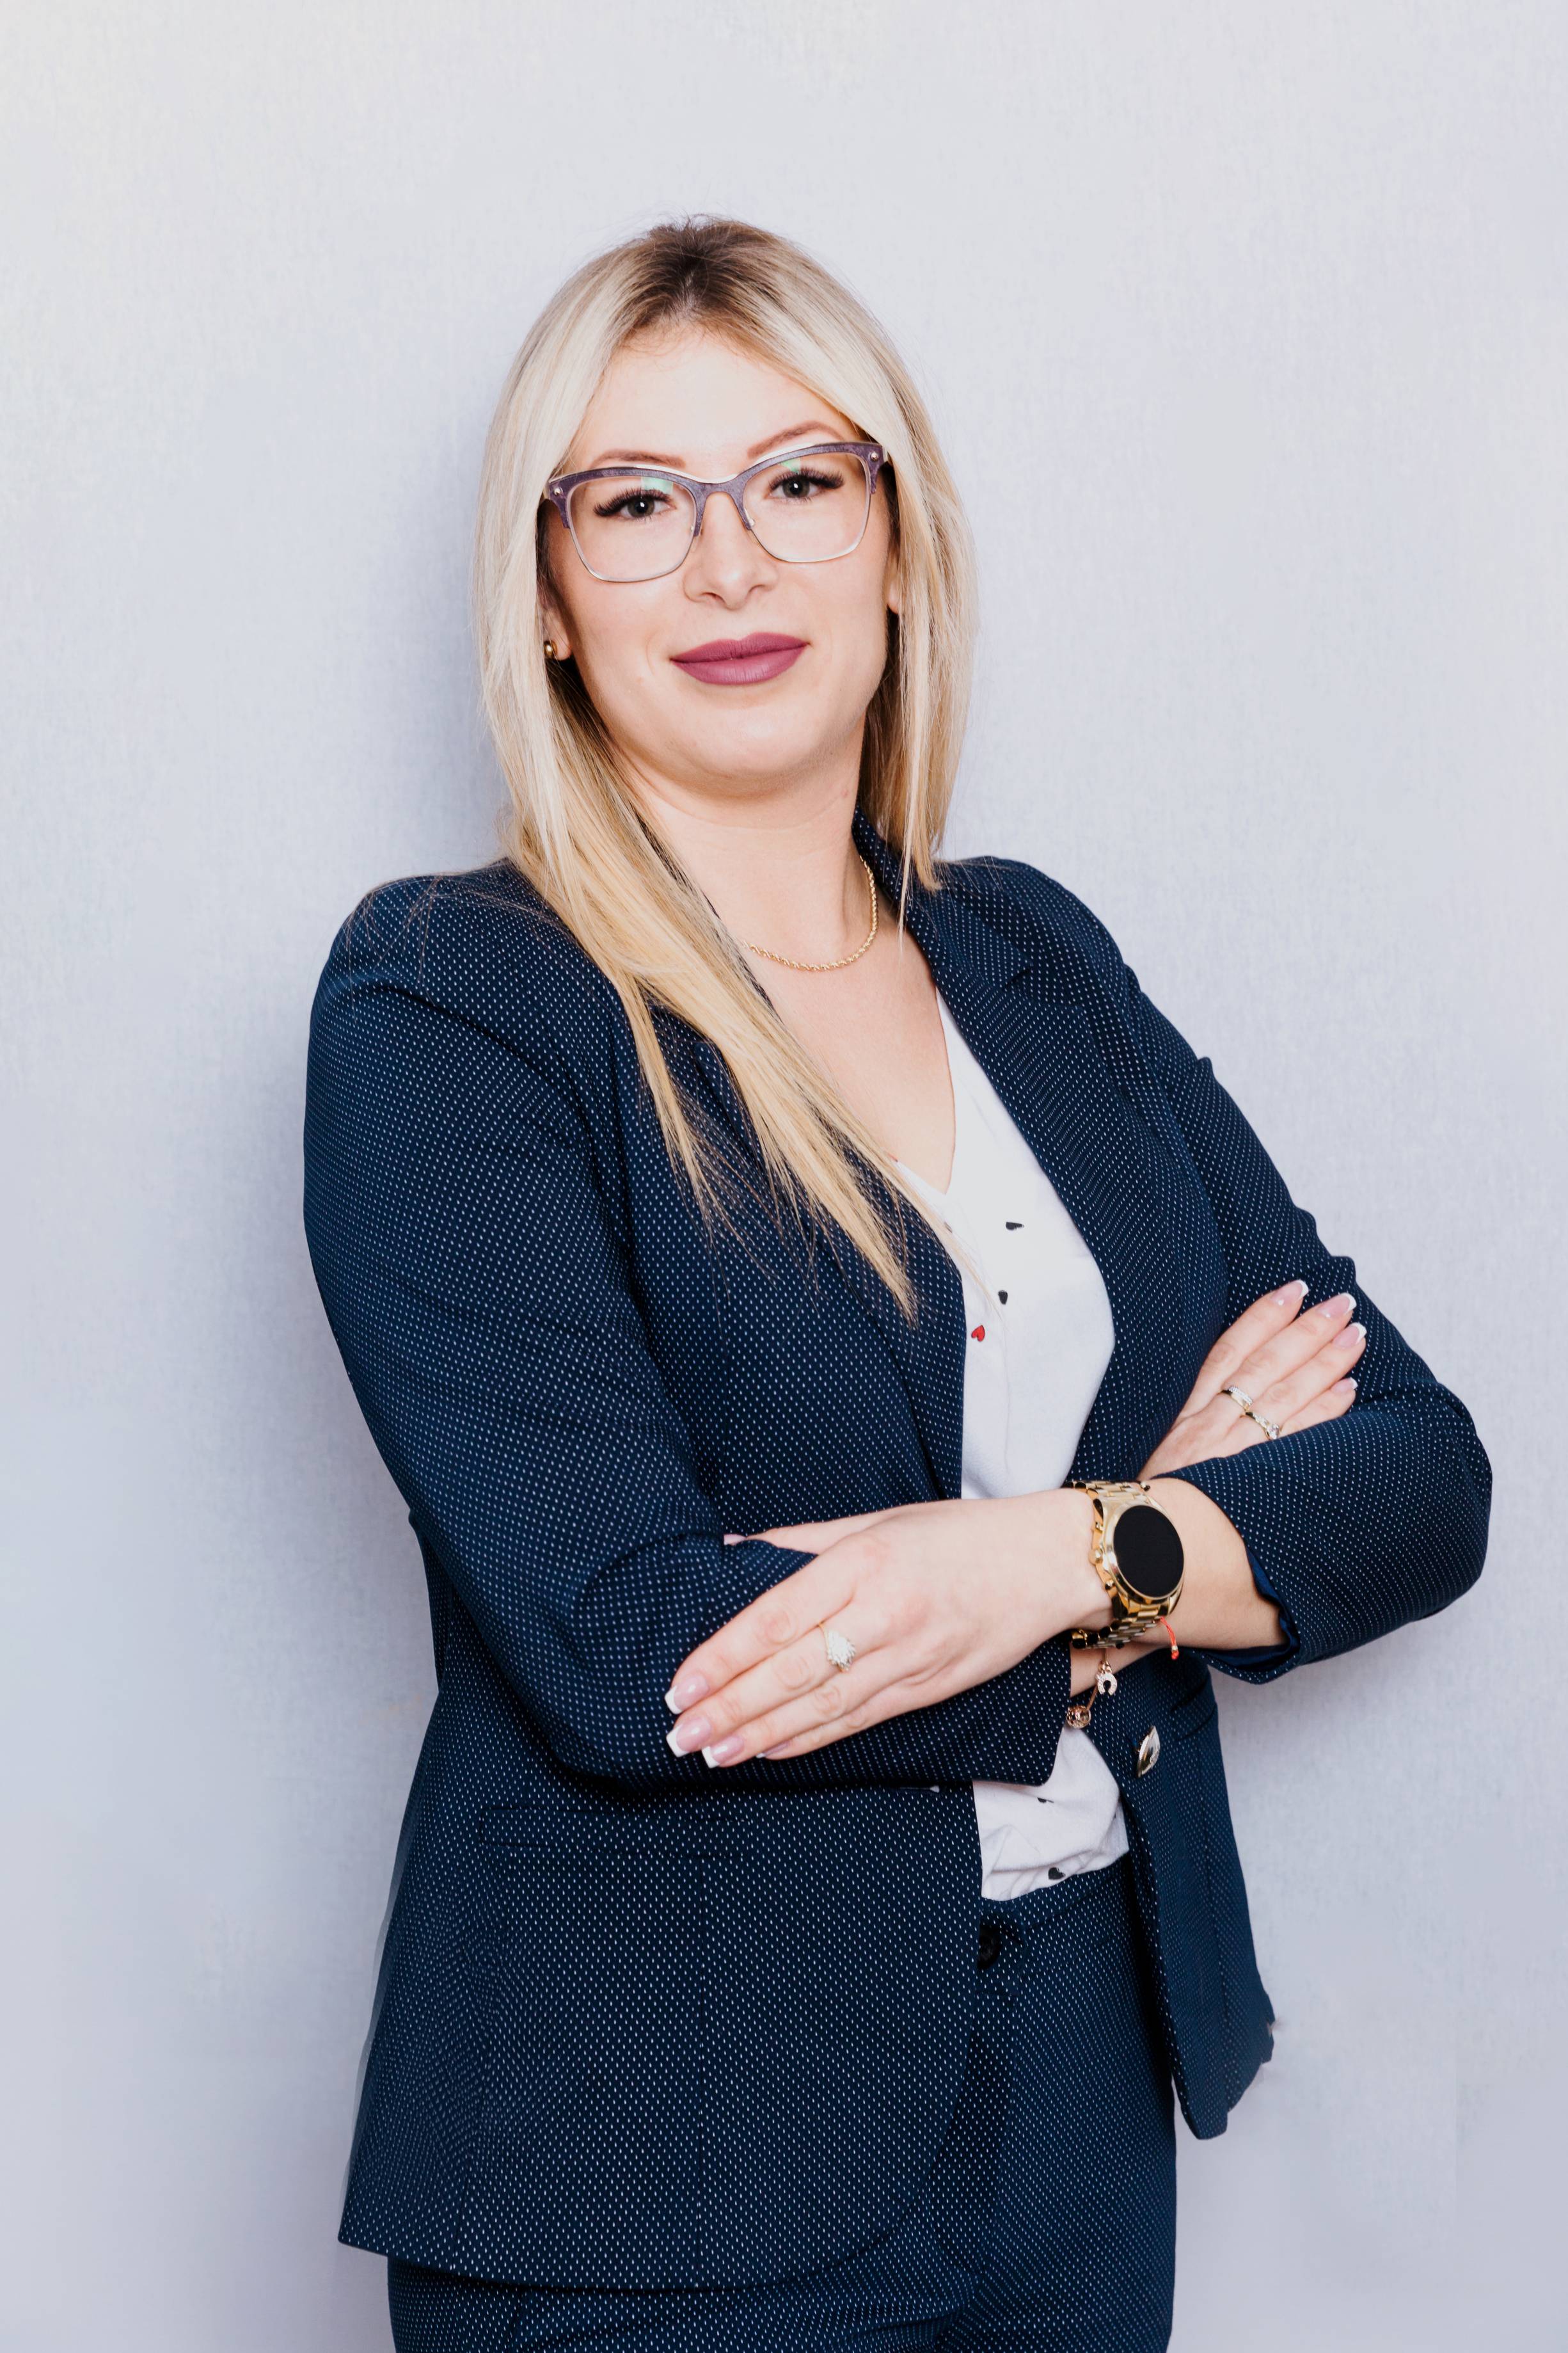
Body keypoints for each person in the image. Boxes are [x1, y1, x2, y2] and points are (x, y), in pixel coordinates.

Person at [303, 218, 1489, 2353]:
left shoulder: (1027, 954)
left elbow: (1412, 1472)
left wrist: (1052, 1554)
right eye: (635, 504)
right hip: (651, 2152)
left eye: (797, 481)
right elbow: (629, 1644)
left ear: (895, 544)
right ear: (548, 594)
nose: (728, 566)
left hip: (1079, 2101)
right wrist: (1154, 1555)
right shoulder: (457, 996)